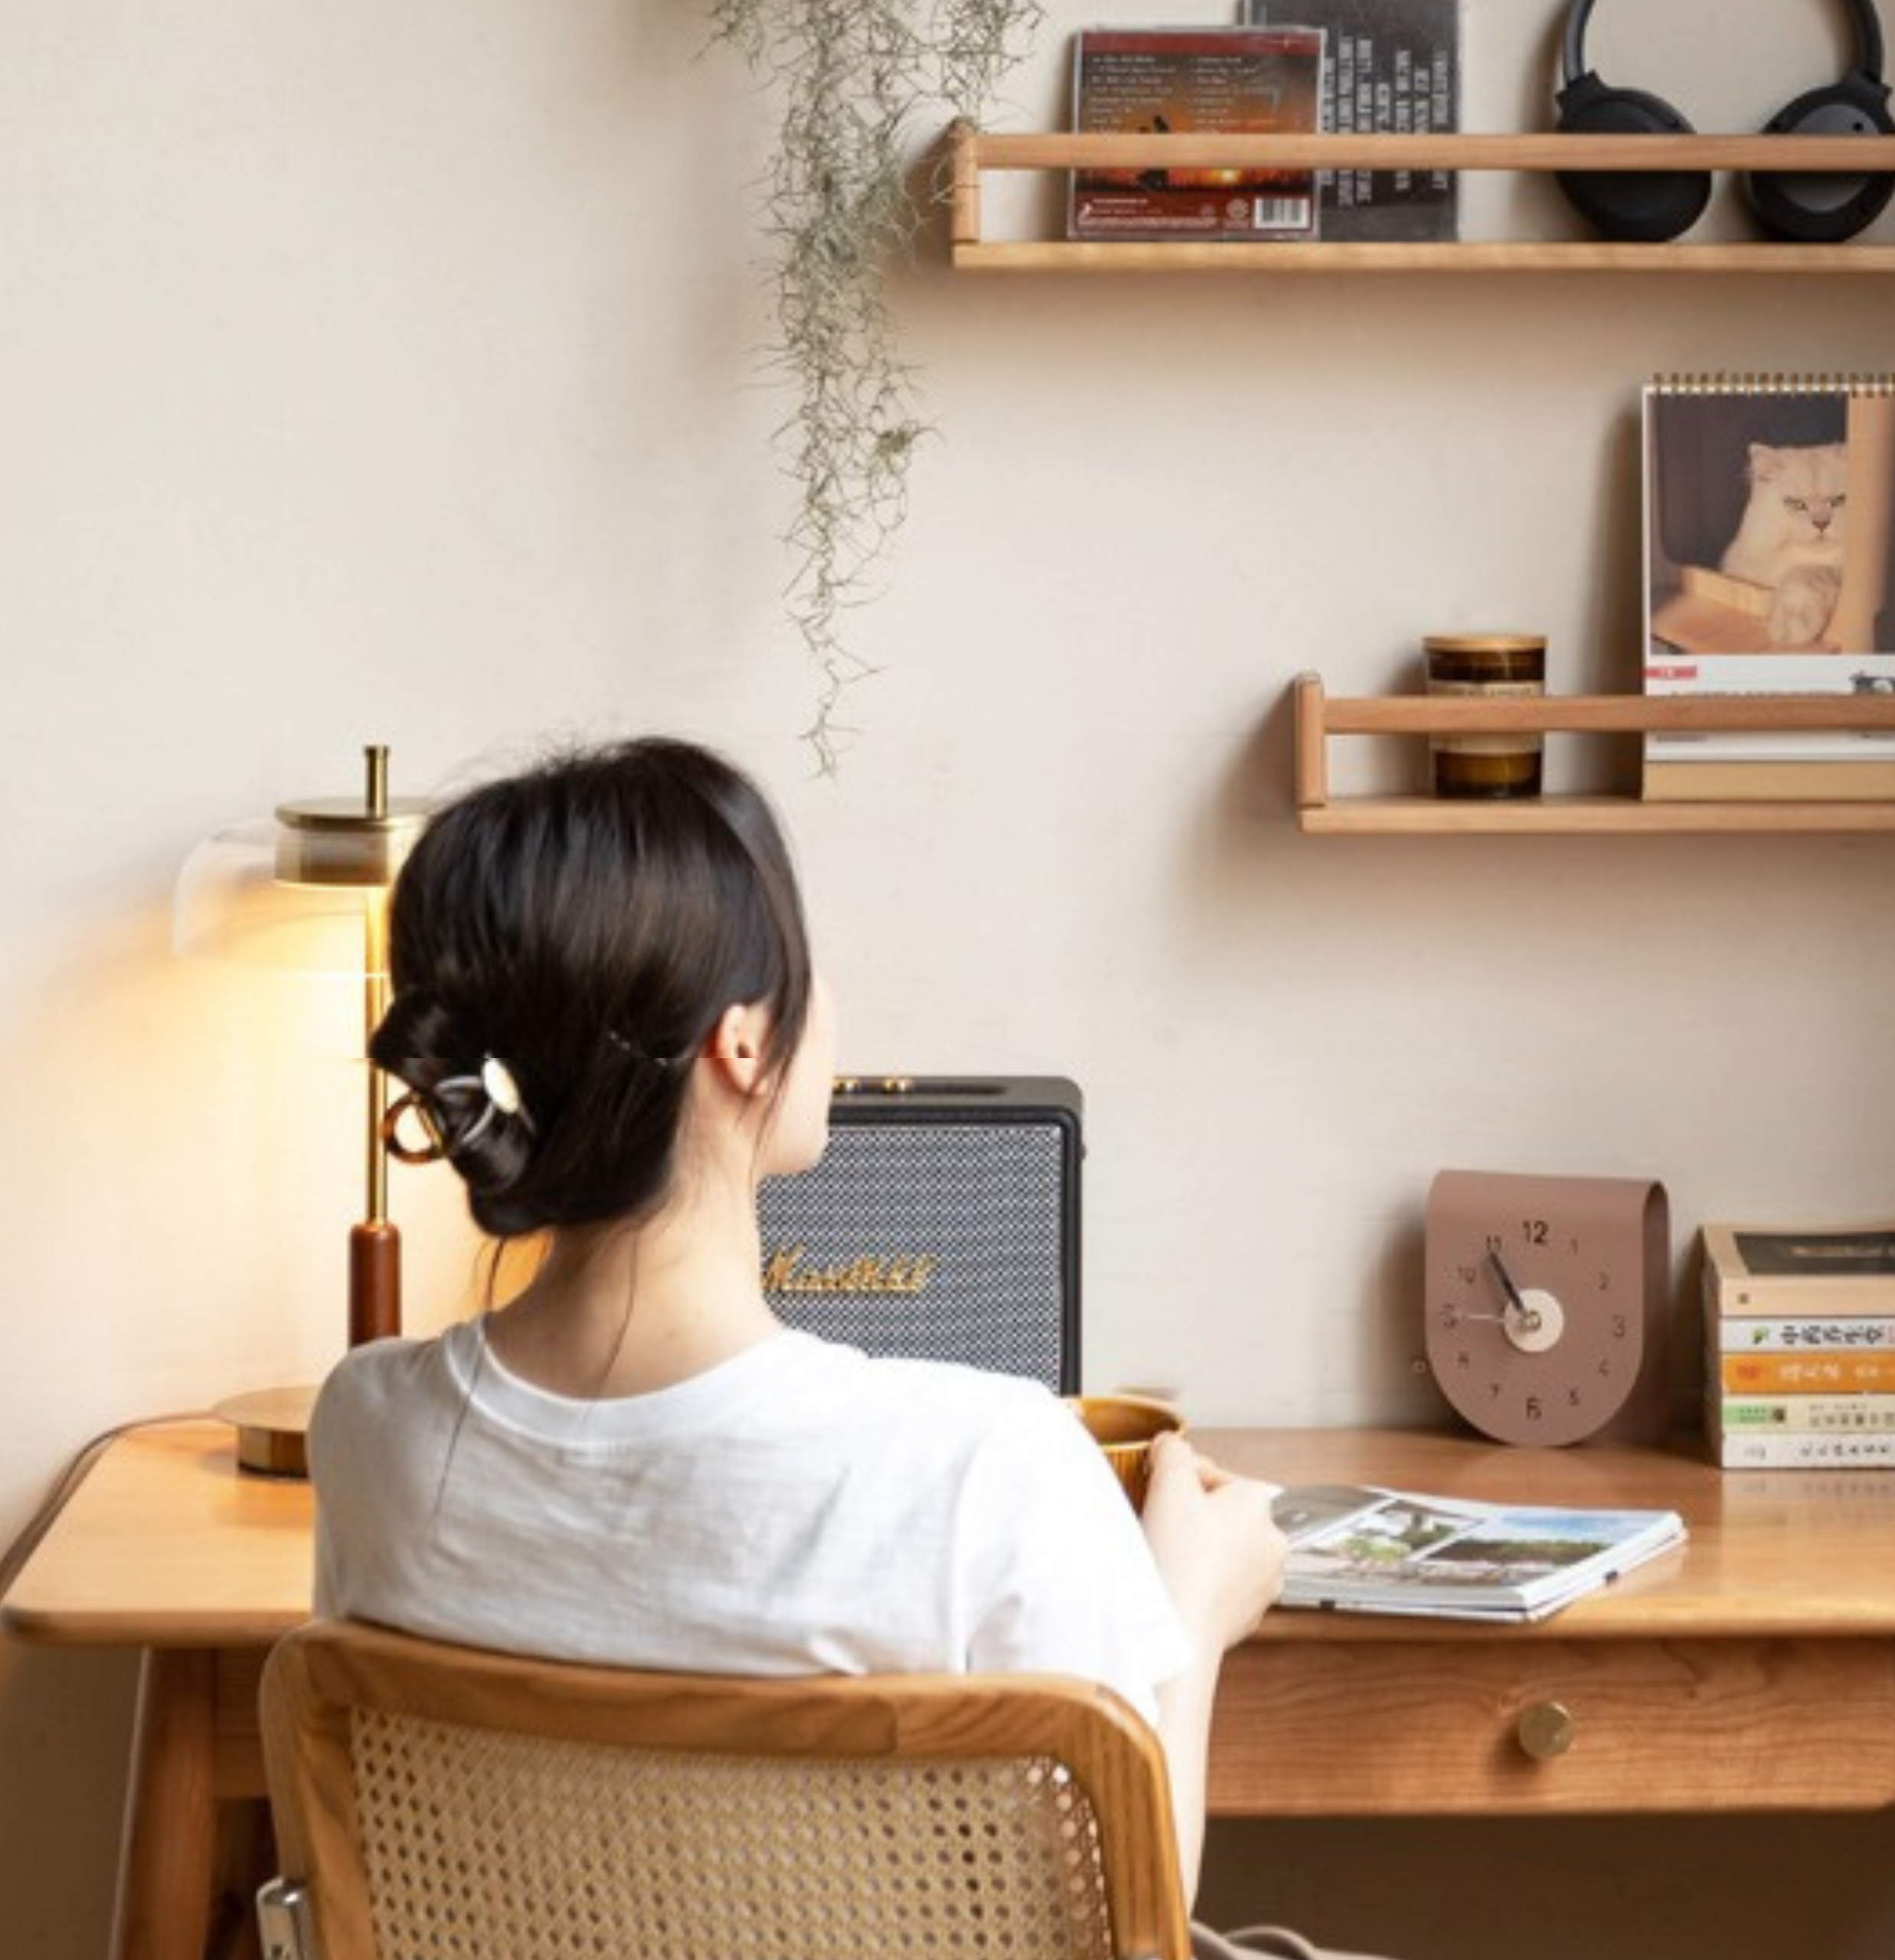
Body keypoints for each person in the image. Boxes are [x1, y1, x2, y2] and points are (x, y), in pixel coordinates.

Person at [308, 735, 1359, 1960]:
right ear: (742, 1041)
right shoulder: (991, 1462)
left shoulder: (368, 1427)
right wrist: (1195, 1597)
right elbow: (1132, 1926)